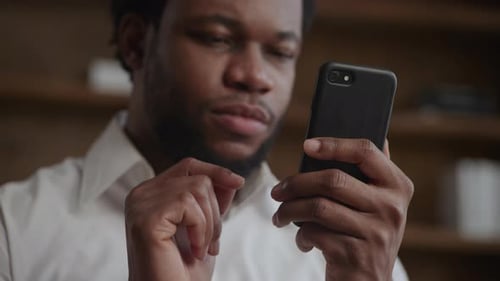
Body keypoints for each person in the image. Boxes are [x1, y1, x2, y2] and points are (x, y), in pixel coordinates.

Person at [0, 0, 414, 280]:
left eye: (280, 53)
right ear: (135, 44)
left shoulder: (358, 254)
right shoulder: (13, 230)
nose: (255, 76)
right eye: (218, 38)